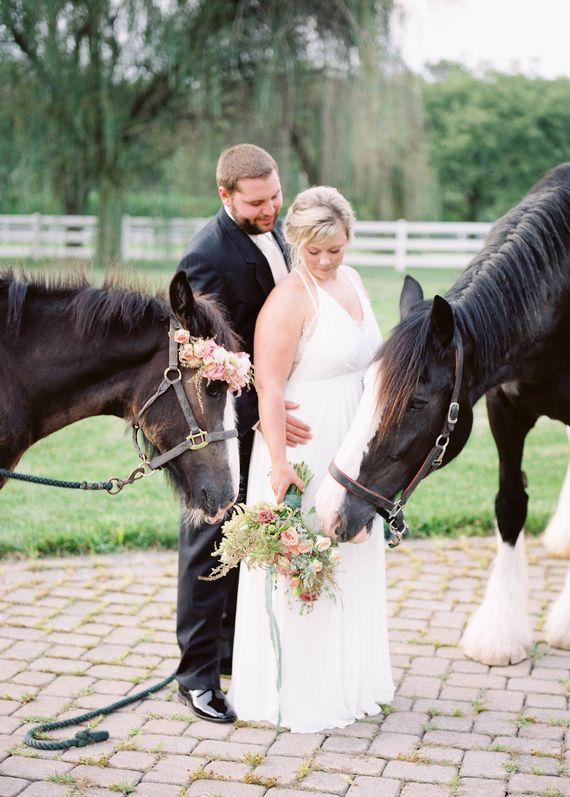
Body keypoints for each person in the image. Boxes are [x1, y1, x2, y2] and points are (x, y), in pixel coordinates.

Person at [227, 186, 394, 732]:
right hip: (304, 445)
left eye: (336, 250)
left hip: (353, 440)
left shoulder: (355, 282)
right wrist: (276, 464)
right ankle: (301, 690)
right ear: (297, 243)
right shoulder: (290, 299)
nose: (325, 261)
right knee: (309, 556)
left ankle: (349, 680)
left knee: (352, 551)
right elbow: (268, 388)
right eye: (314, 251)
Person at [175, 143, 311, 723]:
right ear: (224, 195)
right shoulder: (205, 258)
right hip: (228, 422)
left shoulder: (275, 230)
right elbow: (209, 358)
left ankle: (233, 652)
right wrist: (262, 410)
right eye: (257, 202)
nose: (271, 209)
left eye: (275, 196)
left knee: (251, 530)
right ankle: (196, 674)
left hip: (273, 407)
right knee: (210, 537)